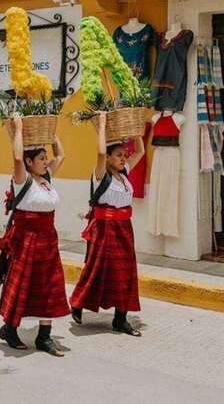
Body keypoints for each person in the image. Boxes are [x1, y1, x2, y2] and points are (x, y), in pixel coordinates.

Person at [0, 116, 69, 356]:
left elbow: (61, 156)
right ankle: (10, 328)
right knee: (22, 286)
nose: (46, 162)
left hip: (48, 238)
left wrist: (50, 133)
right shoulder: (22, 179)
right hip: (27, 240)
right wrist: (18, 130)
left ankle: (44, 337)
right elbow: (17, 157)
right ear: (29, 161)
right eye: (40, 159)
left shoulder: (45, 178)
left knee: (50, 285)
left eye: (45, 158)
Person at [70, 112, 145, 336]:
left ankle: (120, 319)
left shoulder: (125, 174)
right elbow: (100, 152)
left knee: (125, 273)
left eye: (124, 155)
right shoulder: (101, 175)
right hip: (105, 229)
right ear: (109, 158)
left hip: (124, 229)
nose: (124, 158)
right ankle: (77, 303)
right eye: (119, 155)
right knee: (97, 269)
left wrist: (135, 129)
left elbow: (140, 151)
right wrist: (102, 125)